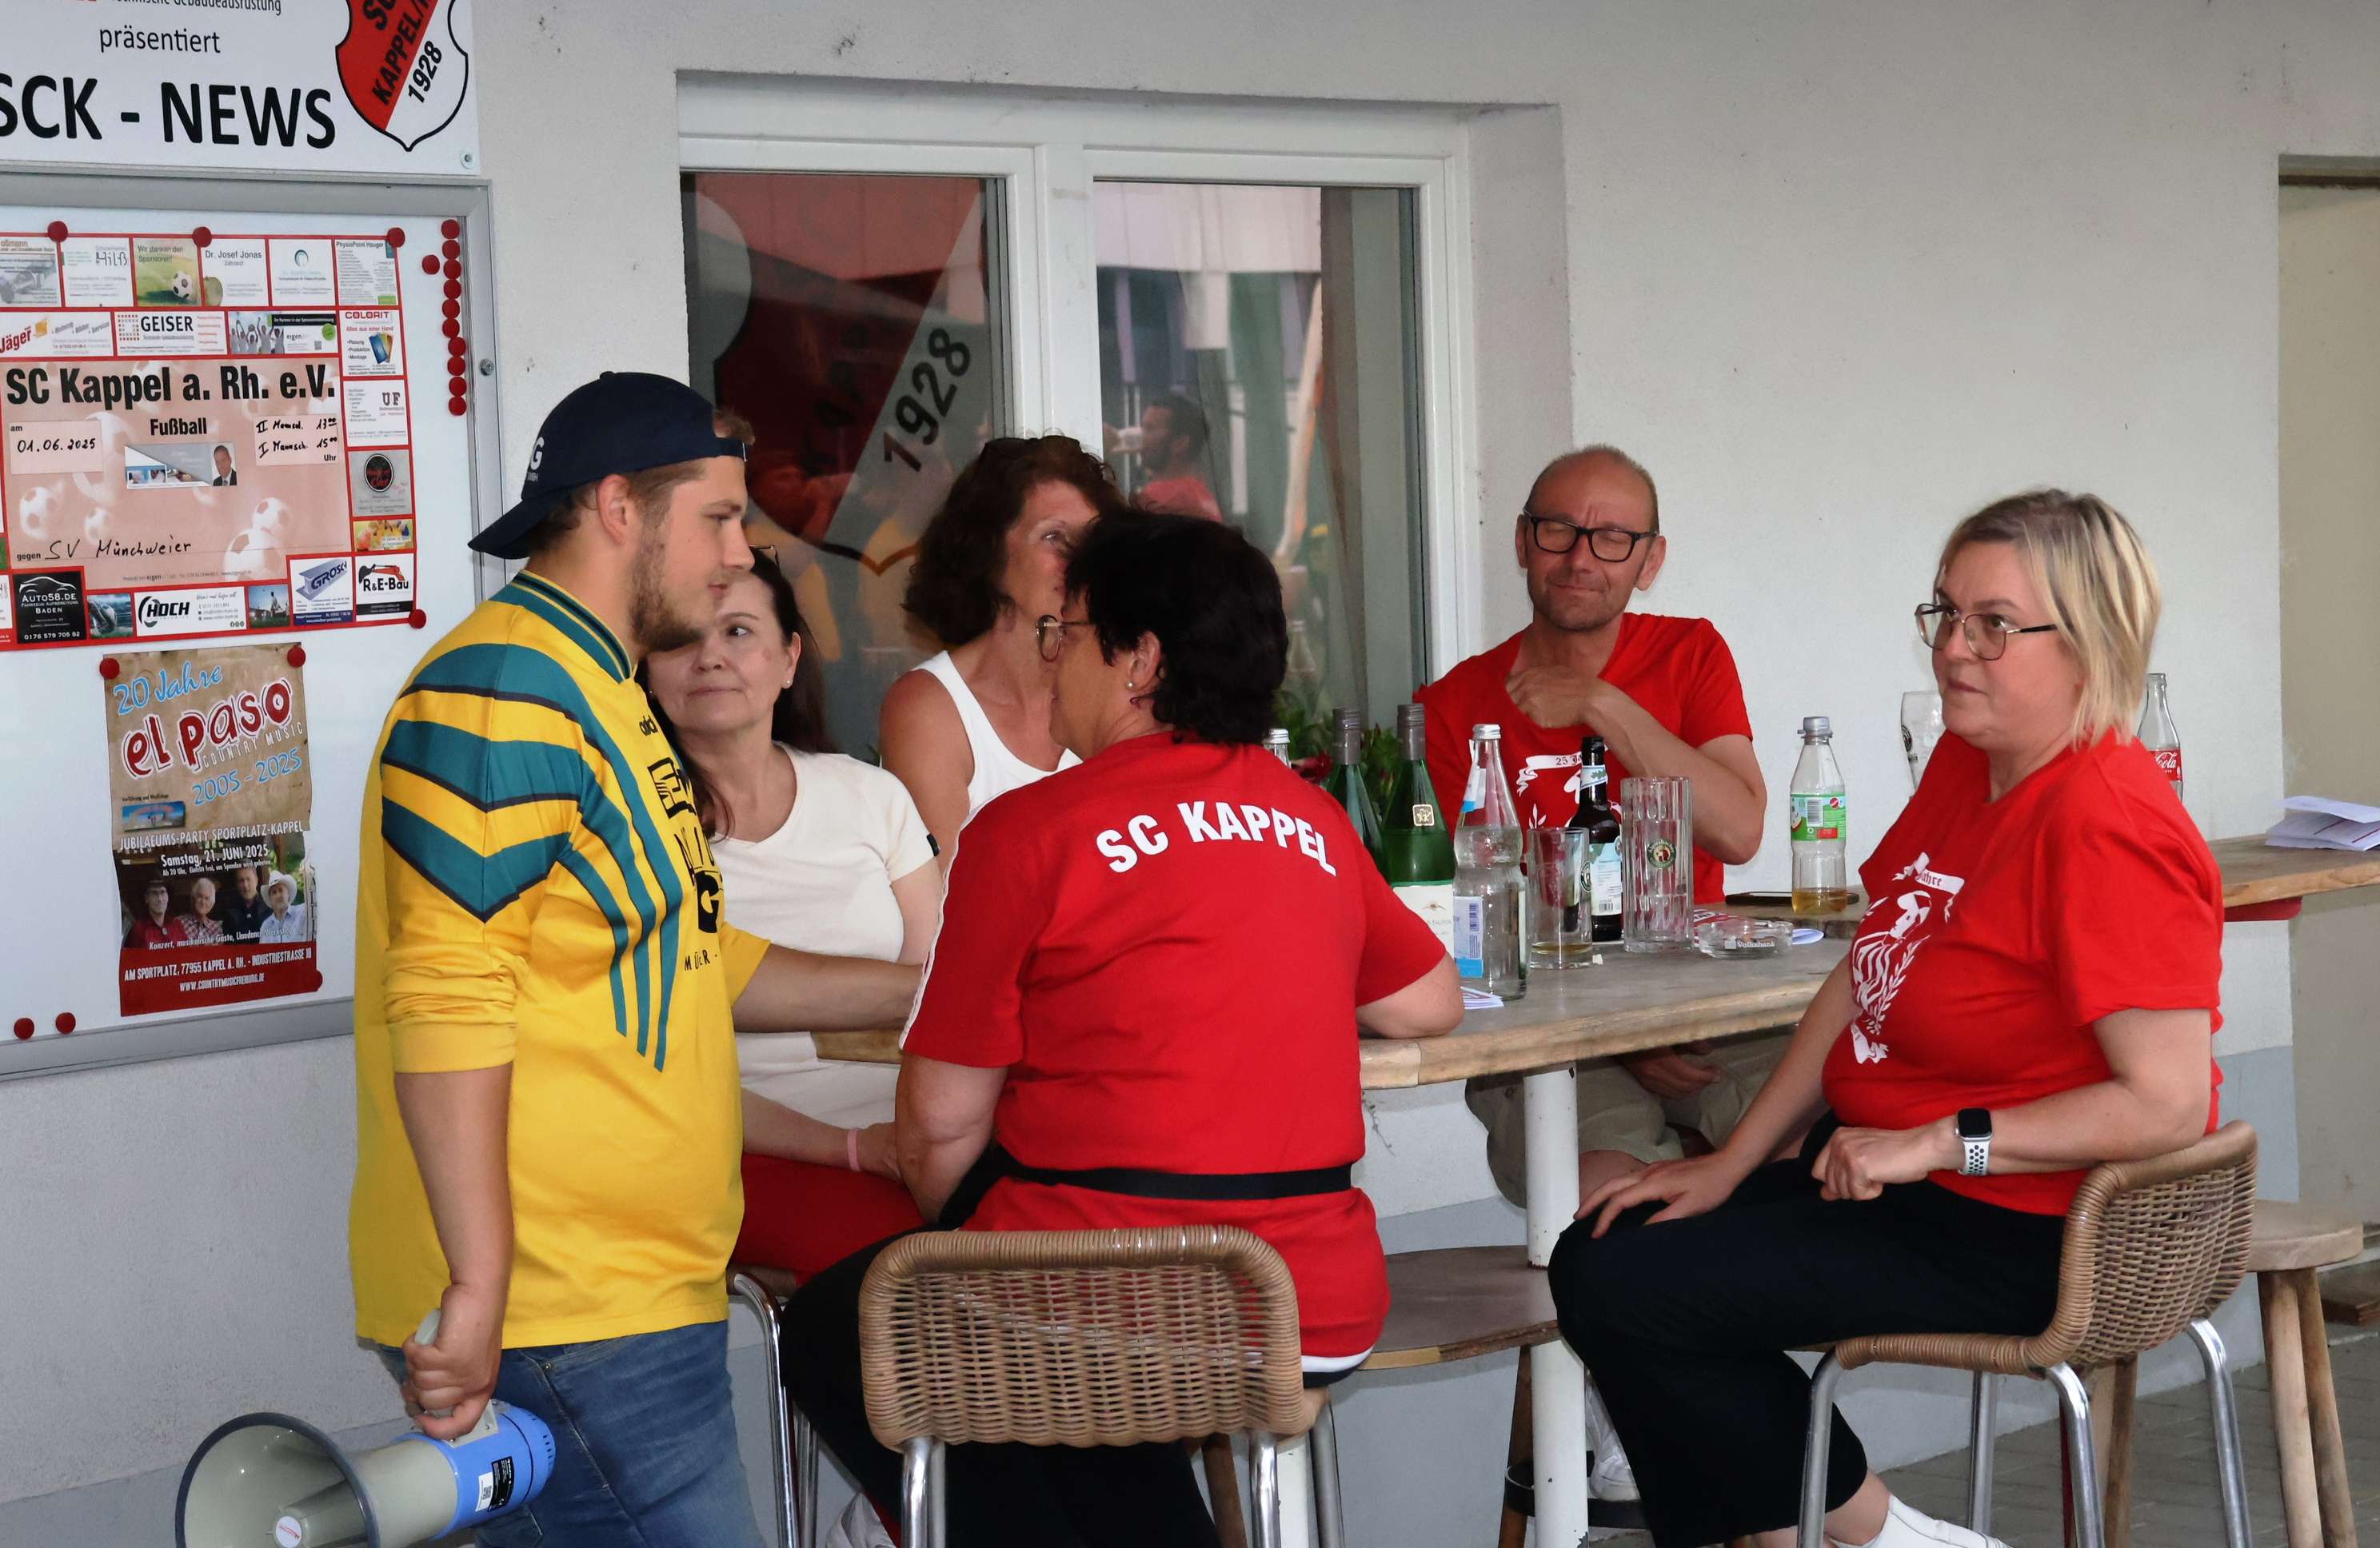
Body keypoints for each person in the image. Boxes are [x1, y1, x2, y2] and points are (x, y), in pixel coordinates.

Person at [1548, 489, 2224, 1548]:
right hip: (1899, 1182)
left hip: (2029, 1225)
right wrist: (1733, 1163)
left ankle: (1873, 1539)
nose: (1953, 649)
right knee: (1609, 1247)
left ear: (2091, 642)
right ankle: (1872, 1535)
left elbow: (2169, 1103)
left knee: (1633, 1287)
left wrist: (1939, 1141)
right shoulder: (1970, 762)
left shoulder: (2107, 821)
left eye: (1994, 625)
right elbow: (1866, 971)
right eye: (1945, 613)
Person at [785, 511, 1461, 1546]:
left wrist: (974, 1223)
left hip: (1105, 1297)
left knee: (846, 1326)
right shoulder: (1312, 817)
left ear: (1140, 661)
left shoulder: (1029, 831)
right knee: (1070, 1386)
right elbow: (1428, 1001)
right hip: (1308, 1306)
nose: (1050, 660)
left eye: (1066, 633)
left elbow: (938, 1130)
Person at [349, 372, 921, 1548]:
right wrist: (479, 1284)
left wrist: (939, 991)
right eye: (717, 516)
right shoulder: (506, 693)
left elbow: (688, 955)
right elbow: (449, 995)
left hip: (622, 1301)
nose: (740, 551)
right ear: (619, 507)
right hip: (564, 1310)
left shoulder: (598, 687)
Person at [1416, 448, 1775, 1477]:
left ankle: (1735, 1423)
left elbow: (1742, 827)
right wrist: (1622, 1039)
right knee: (1611, 1203)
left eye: (1613, 537)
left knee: (1826, 1151)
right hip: (1552, 1042)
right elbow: (1466, 919)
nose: (1582, 556)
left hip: (1703, 1010)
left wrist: (1603, 706)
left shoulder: (1690, 652)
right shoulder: (1454, 704)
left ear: (1649, 559)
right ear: (1523, 542)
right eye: (1560, 530)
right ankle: (1665, 1422)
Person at [643, 557, 939, 1279]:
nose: (710, 656)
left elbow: (941, 994)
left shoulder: (872, 796)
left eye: (739, 631)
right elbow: (660, 1064)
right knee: (908, 1271)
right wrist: (855, 1149)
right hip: (744, 1148)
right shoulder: (634, 828)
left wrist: (923, 1138)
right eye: (681, 639)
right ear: (645, 670)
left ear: (789, 658)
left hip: (919, 1129)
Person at [878, 434, 1125, 852]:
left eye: (1093, 541)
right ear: (988, 550)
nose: (1080, 561)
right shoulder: (929, 706)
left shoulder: (1119, 685)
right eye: (1054, 537)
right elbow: (944, 888)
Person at [1132, 391, 1221, 521]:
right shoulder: (1201, 495)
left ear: (1180, 443)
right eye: (1142, 429)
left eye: (1150, 429)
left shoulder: (1160, 498)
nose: (1141, 437)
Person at [123, 880, 186, 950]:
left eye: (163, 892)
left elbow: (186, 952)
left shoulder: (177, 925)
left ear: (168, 897)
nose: (160, 899)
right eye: (154, 893)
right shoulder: (139, 929)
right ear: (146, 898)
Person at [258, 872, 309, 944]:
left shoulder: (302, 912)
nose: (278, 895)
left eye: (281, 890)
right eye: (274, 892)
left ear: (288, 894)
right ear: (270, 899)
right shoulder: (265, 926)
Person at [219, 864, 268, 940]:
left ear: (256, 880)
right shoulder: (229, 914)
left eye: (248, 879)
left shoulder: (269, 907)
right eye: (241, 881)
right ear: (236, 884)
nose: (245, 885)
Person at [177, 874, 228, 944]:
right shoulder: (180, 922)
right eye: (200, 897)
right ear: (193, 898)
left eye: (207, 898)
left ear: (212, 903)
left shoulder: (217, 928)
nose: (203, 902)